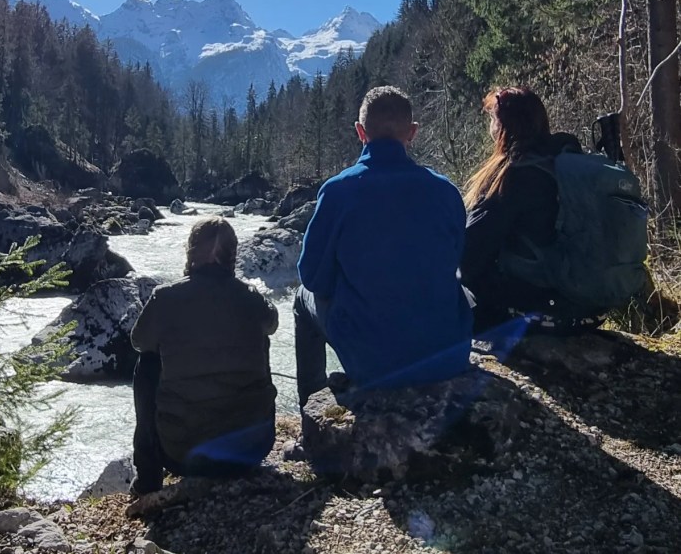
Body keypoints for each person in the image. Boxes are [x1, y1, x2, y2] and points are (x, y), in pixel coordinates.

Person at [294, 86, 473, 407]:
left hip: (373, 364)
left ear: (360, 132)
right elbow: (456, 261)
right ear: (413, 133)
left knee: (300, 299)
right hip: (447, 355)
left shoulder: (338, 191)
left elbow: (312, 277)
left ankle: (310, 403)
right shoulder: (446, 191)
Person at [130, 216, 278, 495]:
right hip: (251, 450)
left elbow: (139, 342)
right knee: (261, 339)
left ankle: (148, 477)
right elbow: (272, 323)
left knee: (147, 362)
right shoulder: (250, 297)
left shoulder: (165, 298)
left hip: (184, 454)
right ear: (232, 255)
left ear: (191, 251)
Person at [460, 86, 603, 333]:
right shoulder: (566, 162)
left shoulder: (511, 176)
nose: (491, 127)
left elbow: (469, 258)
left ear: (503, 127)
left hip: (538, 304)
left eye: (493, 119)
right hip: (588, 303)